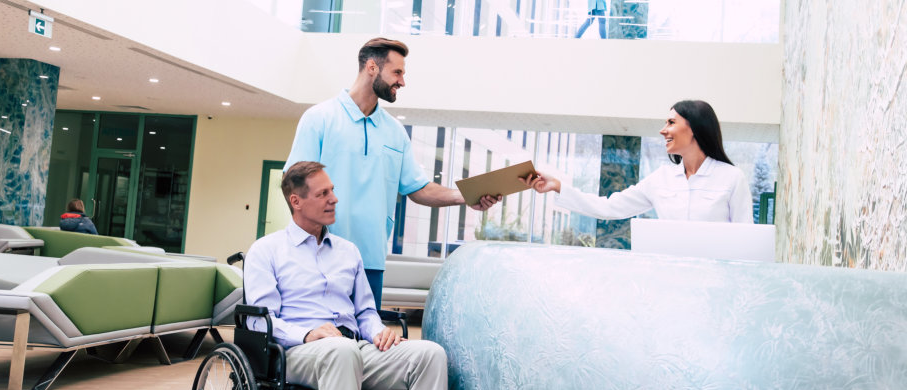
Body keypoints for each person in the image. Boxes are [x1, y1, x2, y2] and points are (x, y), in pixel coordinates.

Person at [245, 161, 459, 390]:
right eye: (323, 193)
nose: (334, 199)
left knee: (429, 354)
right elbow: (261, 320)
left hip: (351, 348)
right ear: (296, 201)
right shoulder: (266, 251)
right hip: (296, 353)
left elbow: (365, 312)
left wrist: (378, 332)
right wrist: (307, 334)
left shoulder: (348, 252)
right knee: (340, 350)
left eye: (332, 191)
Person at [285, 37, 500, 310]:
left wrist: (465, 196)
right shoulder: (319, 118)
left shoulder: (394, 132)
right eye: (397, 72)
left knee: (364, 344)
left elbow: (418, 188)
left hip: (371, 260)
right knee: (318, 340)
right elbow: (293, 184)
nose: (402, 81)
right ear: (372, 67)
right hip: (319, 256)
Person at [522, 100, 754, 223]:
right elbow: (609, 207)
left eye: (671, 122)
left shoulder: (732, 178)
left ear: (694, 127)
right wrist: (559, 186)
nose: (663, 130)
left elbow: (745, 239)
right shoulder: (661, 179)